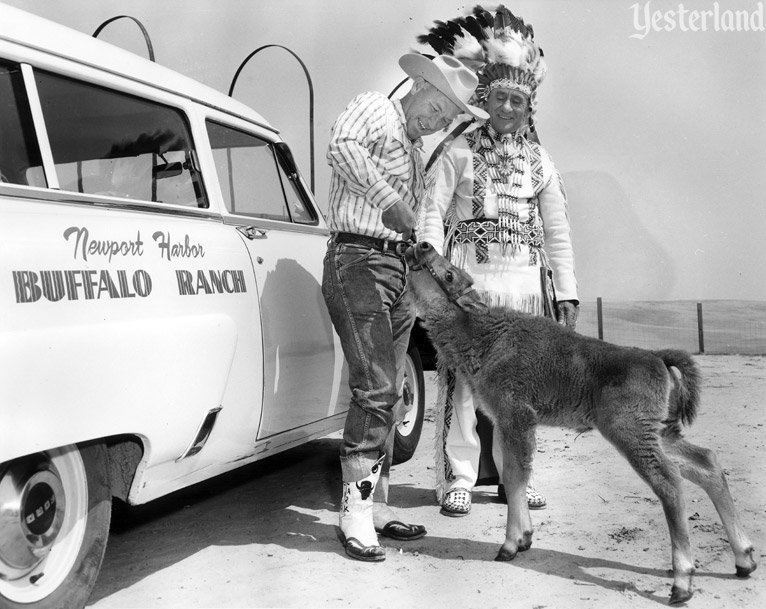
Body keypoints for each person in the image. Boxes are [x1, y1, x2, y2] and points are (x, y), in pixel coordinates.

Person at [322, 53, 488, 561]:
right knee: (376, 388)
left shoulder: (417, 153)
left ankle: (374, 506)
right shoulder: (376, 108)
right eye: (436, 107)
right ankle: (353, 516)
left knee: (392, 394)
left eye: (446, 118)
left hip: (397, 270)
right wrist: (387, 198)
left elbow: (414, 226)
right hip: (357, 260)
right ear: (417, 85)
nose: (436, 122)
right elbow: (340, 146)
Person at [417, 6, 579, 517]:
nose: (509, 107)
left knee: (521, 390)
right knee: (463, 383)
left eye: (518, 99)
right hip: (471, 288)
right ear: (484, 98)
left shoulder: (540, 161)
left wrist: (568, 289)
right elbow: (428, 217)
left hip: (527, 288)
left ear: (530, 105)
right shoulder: (458, 151)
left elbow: (557, 230)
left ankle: (518, 477)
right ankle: (458, 478)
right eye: (501, 97)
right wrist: (437, 279)